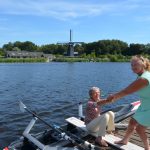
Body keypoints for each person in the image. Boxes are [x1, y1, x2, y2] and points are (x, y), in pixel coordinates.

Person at [107, 55, 150, 150]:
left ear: (143, 64)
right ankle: (125, 140)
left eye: (136, 64)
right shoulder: (144, 74)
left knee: (140, 129)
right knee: (132, 122)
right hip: (145, 105)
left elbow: (126, 91)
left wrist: (113, 97)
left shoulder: (143, 78)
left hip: (149, 108)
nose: (133, 67)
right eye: (132, 65)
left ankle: (147, 148)